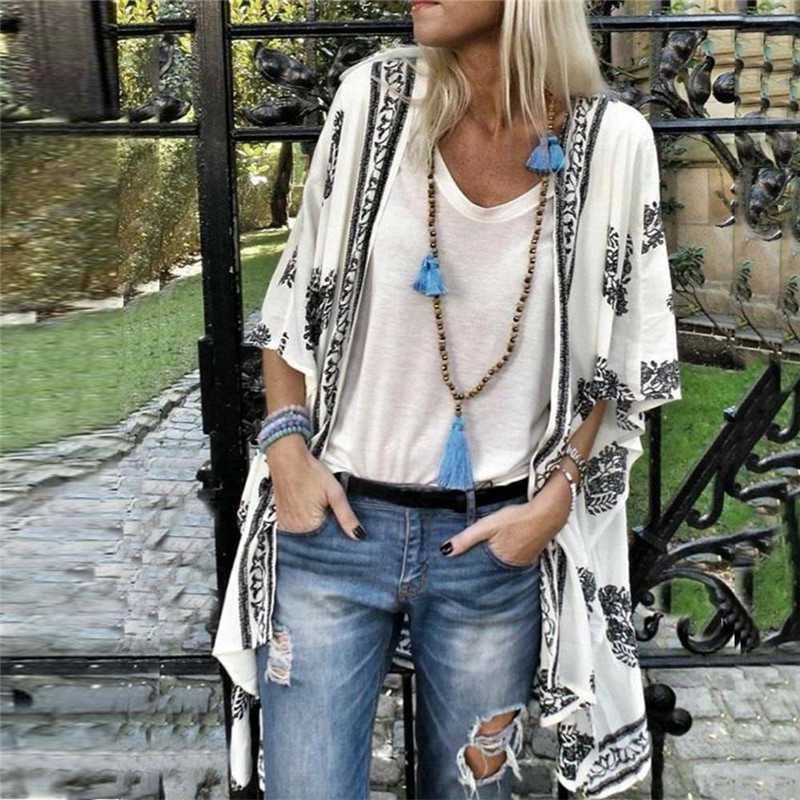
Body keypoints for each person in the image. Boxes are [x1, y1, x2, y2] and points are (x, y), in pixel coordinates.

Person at [211, 1, 682, 798]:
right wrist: (286, 448)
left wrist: (555, 499)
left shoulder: (612, 143)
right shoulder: (374, 101)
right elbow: (293, 296)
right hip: (333, 535)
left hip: (491, 549)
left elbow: (618, 351)